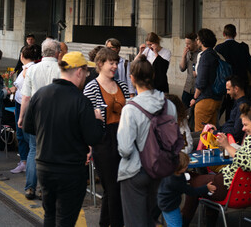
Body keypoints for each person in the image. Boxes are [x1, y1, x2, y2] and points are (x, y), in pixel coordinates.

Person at [23, 51, 104, 227]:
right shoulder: (81, 101)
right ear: (79, 72)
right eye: (87, 72)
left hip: (44, 167)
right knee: (65, 220)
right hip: (70, 171)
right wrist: (98, 121)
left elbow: (28, 128)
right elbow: (94, 137)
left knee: (49, 216)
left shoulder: (41, 94)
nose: (87, 76)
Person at [181, 104, 251, 226]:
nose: (243, 129)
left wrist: (227, 146)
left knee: (190, 181)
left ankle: (181, 224)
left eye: (245, 125)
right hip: (249, 194)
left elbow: (248, 164)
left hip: (227, 187)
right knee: (202, 186)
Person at [117, 55, 177, 227]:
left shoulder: (130, 108)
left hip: (136, 171)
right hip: (161, 170)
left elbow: (125, 148)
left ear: (132, 78)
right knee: (151, 220)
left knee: (135, 222)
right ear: (153, 76)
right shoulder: (169, 105)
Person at [83, 47, 129, 227]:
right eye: (112, 63)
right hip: (103, 141)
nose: (115, 66)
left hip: (123, 138)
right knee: (112, 187)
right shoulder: (91, 87)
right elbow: (86, 121)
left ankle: (104, 223)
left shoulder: (122, 85)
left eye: (116, 63)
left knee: (116, 188)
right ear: (100, 64)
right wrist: (88, 146)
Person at [18, 38, 61, 200]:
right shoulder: (61, 69)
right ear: (57, 52)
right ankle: (45, 189)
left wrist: (21, 117)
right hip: (55, 117)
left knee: (33, 151)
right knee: (51, 153)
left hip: (35, 116)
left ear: (43, 52)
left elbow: (26, 97)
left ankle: (30, 187)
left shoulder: (33, 70)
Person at [158, 151, 216, 227]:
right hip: (170, 206)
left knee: (173, 222)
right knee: (176, 224)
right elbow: (191, 192)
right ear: (179, 168)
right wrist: (206, 188)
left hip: (164, 202)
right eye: (185, 166)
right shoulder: (176, 182)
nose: (187, 167)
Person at [9, 45, 37, 174]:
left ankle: (26, 162)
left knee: (24, 135)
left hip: (25, 105)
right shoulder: (25, 69)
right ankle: (24, 161)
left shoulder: (29, 70)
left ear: (21, 56)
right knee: (21, 135)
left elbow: (27, 92)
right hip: (20, 103)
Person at [189, 28, 222, 132]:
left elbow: (201, 81)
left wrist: (194, 98)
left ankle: (203, 149)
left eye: (198, 39)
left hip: (205, 98)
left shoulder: (205, 56)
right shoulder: (213, 54)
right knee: (211, 132)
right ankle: (211, 149)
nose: (197, 41)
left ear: (202, 41)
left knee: (201, 133)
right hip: (215, 98)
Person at [215, 24, 251, 103]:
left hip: (225, 83)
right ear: (235, 34)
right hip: (240, 83)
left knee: (226, 107)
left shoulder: (219, 48)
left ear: (224, 34)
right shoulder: (242, 47)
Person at [218, 75, 250, 144]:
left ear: (236, 89)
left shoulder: (243, 105)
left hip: (231, 140)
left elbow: (237, 132)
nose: (227, 92)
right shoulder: (238, 102)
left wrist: (219, 132)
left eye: (228, 89)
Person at [179, 33, 200, 109]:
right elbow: (182, 68)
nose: (187, 46)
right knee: (183, 110)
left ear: (195, 42)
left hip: (197, 89)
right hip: (187, 88)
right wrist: (183, 57)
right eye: (186, 44)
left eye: (189, 44)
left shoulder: (200, 54)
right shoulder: (188, 53)